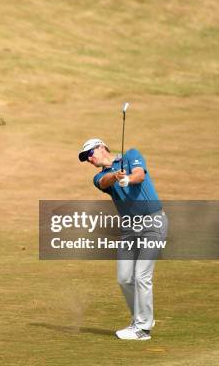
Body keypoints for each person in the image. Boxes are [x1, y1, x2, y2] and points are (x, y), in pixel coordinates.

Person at [79, 138, 167, 341]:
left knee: (142, 275)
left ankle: (142, 329)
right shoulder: (99, 177)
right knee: (124, 278)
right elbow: (104, 181)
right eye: (86, 158)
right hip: (129, 230)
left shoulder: (131, 155)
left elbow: (139, 175)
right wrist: (116, 176)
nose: (89, 159)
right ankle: (143, 317)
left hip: (153, 223)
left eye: (90, 153)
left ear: (102, 147)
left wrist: (127, 178)